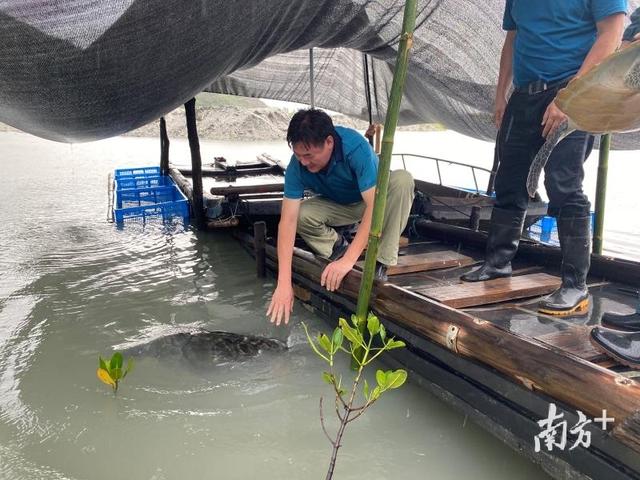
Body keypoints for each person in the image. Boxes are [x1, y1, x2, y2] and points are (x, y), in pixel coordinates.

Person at [461, 0, 627, 317]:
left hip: (571, 92)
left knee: (563, 185)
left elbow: (612, 33)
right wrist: (501, 94)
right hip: (524, 96)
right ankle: (498, 263)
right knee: (510, 182)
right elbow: (512, 41)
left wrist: (570, 96)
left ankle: (575, 286)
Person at [266, 109, 414, 326]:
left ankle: (381, 262)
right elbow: (287, 222)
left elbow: (374, 207)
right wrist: (283, 283)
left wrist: (348, 262)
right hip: (340, 204)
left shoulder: (355, 148)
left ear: (329, 142)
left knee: (403, 179)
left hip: (374, 200)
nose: (304, 162)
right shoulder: (297, 166)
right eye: (298, 155)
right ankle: (338, 247)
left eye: (309, 155)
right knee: (302, 214)